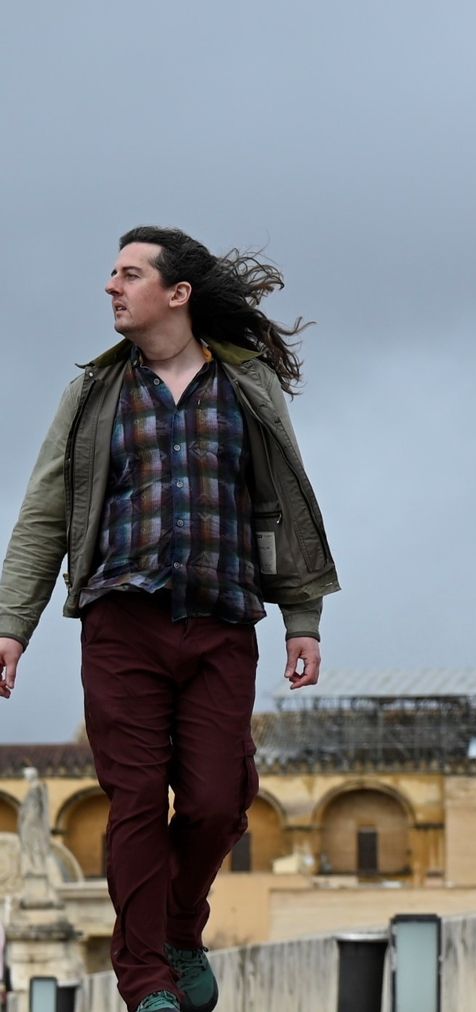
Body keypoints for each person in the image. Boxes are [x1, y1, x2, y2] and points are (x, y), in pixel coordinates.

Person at [0, 227, 339, 1012]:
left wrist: (303, 617)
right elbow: (44, 513)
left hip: (222, 621)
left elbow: (282, 503)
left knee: (221, 800)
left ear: (176, 294)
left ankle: (182, 929)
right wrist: (13, 625)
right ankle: (145, 974)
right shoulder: (93, 394)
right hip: (122, 623)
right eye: (111, 275)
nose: (111, 287)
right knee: (136, 802)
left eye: (129, 274)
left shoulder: (247, 387)